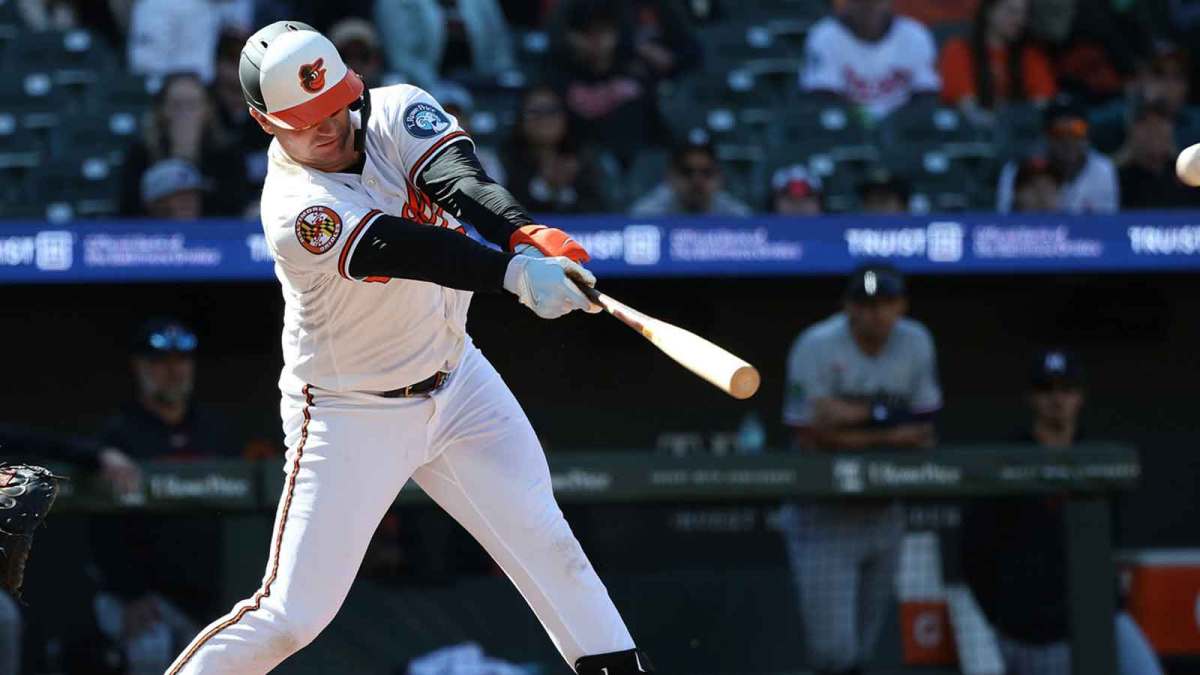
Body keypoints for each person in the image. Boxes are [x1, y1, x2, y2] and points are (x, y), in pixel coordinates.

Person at [164, 21, 652, 675]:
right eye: (306, 120)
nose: (329, 126)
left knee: (549, 543)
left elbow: (460, 182)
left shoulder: (396, 110)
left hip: (458, 381)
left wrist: (523, 235)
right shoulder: (295, 208)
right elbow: (407, 248)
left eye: (335, 104)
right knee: (292, 615)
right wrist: (513, 276)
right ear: (264, 122)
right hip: (350, 412)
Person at [960, 349, 1164, 675]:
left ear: (1080, 397)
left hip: (1100, 616)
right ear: (1031, 397)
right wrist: (1005, 618)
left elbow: (1109, 541)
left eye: (1067, 389)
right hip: (1036, 633)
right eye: (1046, 389)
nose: (1057, 399)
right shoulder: (1005, 462)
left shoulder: (1097, 458)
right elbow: (974, 552)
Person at [781, 264, 942, 675]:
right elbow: (809, 432)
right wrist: (888, 422)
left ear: (901, 305)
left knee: (863, 652)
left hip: (884, 513)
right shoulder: (817, 344)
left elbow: (924, 429)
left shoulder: (916, 341)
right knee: (833, 654)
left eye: (885, 303)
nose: (875, 313)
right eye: (866, 304)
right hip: (824, 516)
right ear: (848, 307)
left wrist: (847, 418)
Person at [547, 0, 665, 166]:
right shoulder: (556, 74)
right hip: (576, 165)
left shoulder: (637, 71)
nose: (595, 41)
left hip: (633, 165)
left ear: (616, 33)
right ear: (570, 36)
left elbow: (655, 132)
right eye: (585, 32)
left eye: (603, 32)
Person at [118, 72, 251, 218]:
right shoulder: (140, 154)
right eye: (176, 105)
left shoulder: (228, 155)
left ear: (207, 111)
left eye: (192, 105)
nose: (184, 113)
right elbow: (129, 211)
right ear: (162, 111)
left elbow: (233, 211)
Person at [800, 0, 941, 122]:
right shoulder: (825, 35)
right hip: (847, 130)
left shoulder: (914, 34)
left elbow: (926, 94)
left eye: (874, 3)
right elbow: (822, 96)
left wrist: (894, 122)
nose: (869, 8)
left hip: (904, 128)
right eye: (861, 2)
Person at [938, 0, 1057, 122]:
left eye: (1024, 14)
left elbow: (1043, 102)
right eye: (1011, 11)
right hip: (974, 129)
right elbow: (967, 106)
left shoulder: (1030, 55)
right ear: (989, 11)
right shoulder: (959, 50)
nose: (1019, 20)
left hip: (1023, 129)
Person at [502, 84, 613, 214]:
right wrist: (544, 186)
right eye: (534, 111)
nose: (544, 119)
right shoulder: (503, 161)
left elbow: (605, 211)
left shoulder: (589, 159)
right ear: (520, 119)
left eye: (552, 111)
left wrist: (565, 189)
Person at [996, 98, 1119, 213]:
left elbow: (1108, 223)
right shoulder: (1018, 169)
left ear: (1087, 135)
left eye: (1076, 130)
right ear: (1046, 136)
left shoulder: (1103, 170)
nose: (1068, 140)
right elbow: (1002, 221)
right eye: (1059, 131)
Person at [374, 0, 516, 89]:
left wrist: (493, 82)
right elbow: (403, 58)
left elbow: (500, 48)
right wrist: (437, 87)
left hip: (481, 84)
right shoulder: (394, 3)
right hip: (423, 87)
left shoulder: (483, 3)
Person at [630, 139, 751, 216]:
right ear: (670, 176)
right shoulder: (647, 215)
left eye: (706, 172)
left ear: (719, 177)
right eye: (687, 172)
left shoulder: (736, 216)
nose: (697, 180)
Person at [1117, 101, 1200, 209]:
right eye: (1145, 123)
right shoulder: (1118, 176)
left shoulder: (1192, 168)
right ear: (1132, 131)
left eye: (1161, 122)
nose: (1154, 129)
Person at [126, 0, 220, 83]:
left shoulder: (221, 8)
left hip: (211, 85)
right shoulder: (156, 5)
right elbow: (145, 65)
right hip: (167, 88)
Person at [328, 17, 388, 88]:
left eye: (363, 56)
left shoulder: (394, 88)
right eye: (346, 57)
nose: (356, 64)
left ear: (376, 59)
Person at [140, 159, 207, 219]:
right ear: (156, 202)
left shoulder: (209, 227)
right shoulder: (139, 228)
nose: (188, 201)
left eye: (193, 193)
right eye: (178, 194)